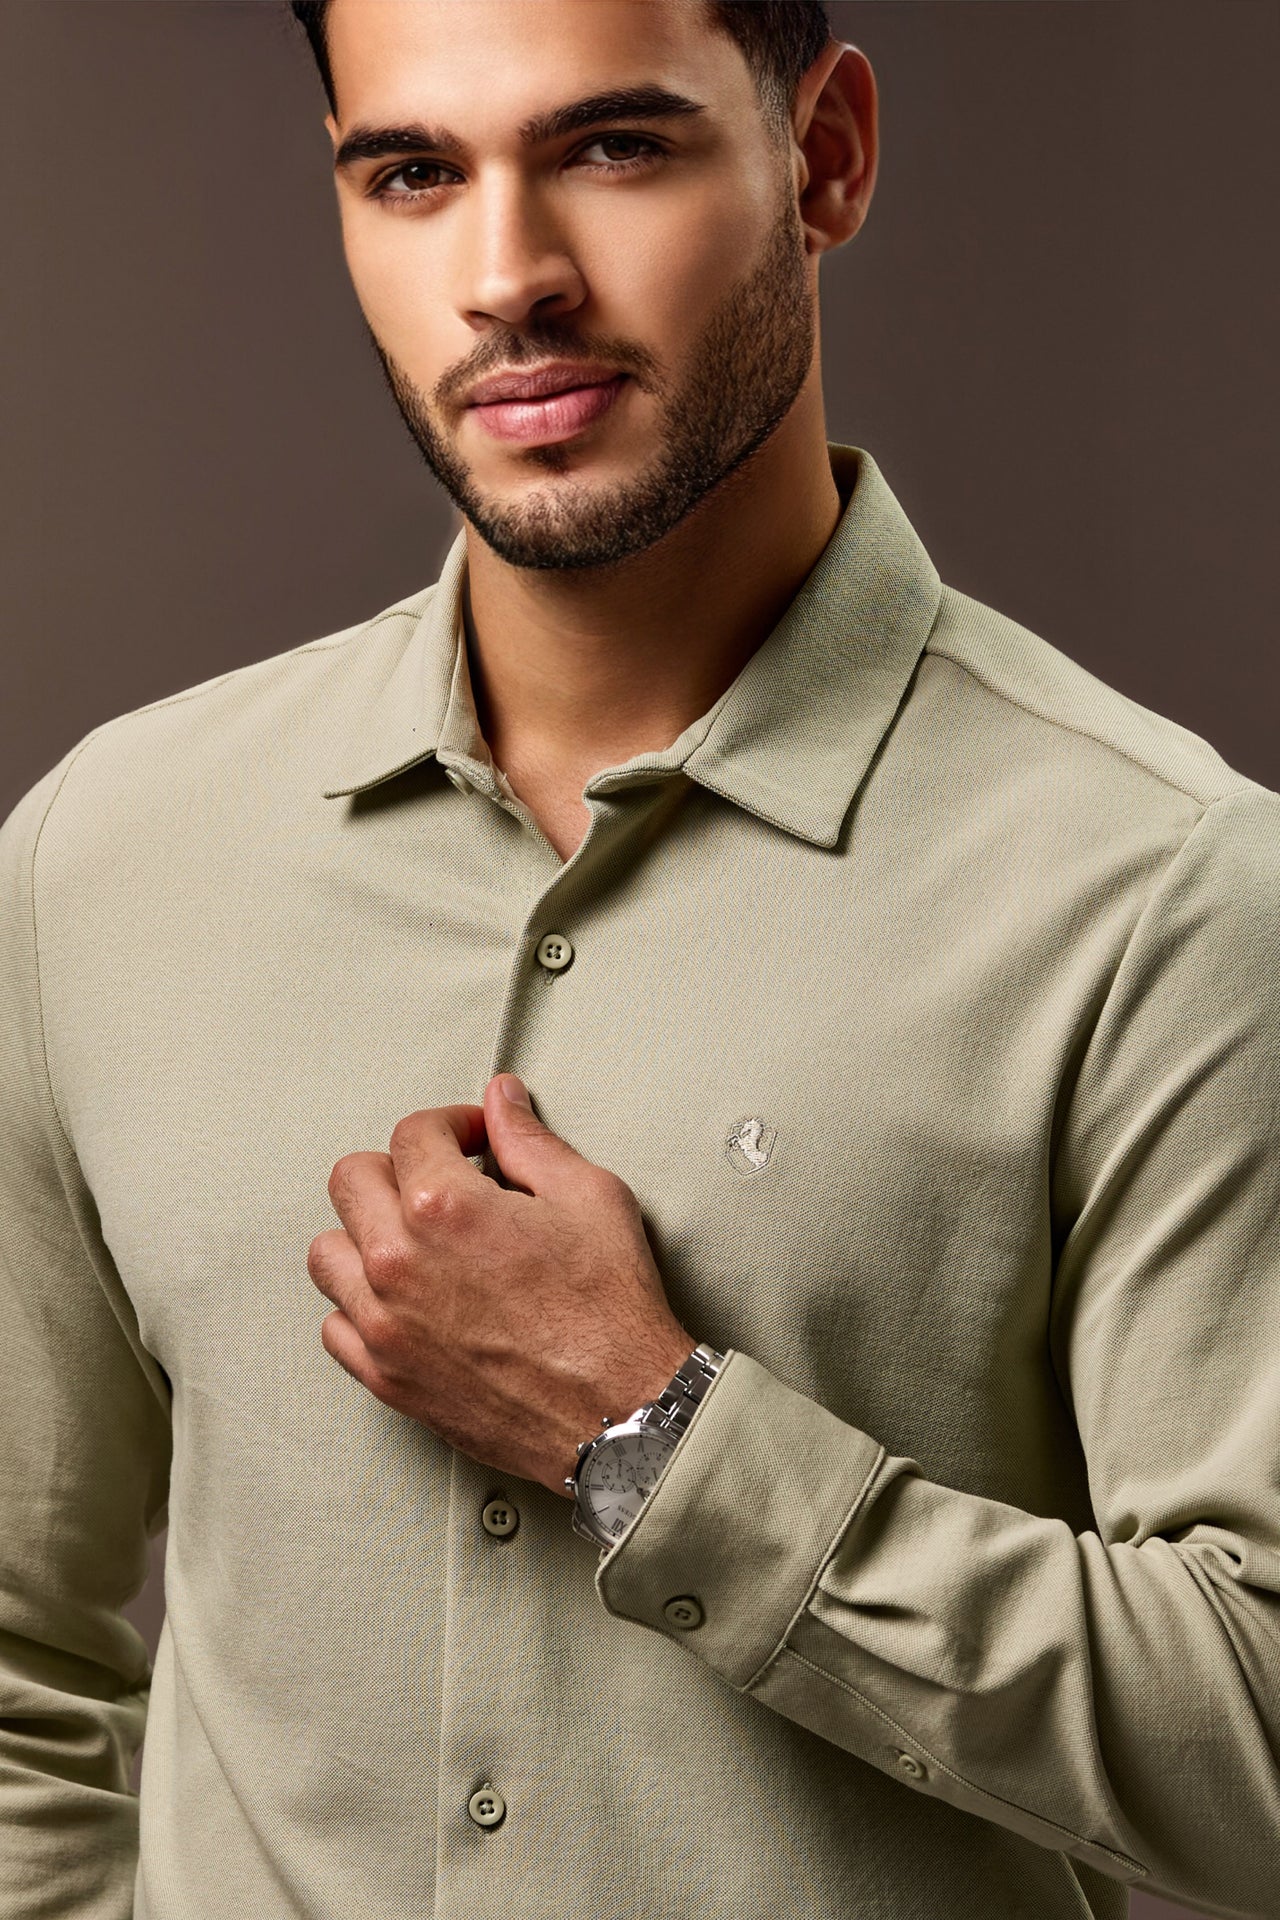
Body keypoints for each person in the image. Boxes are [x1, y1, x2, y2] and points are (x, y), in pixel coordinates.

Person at [0, 0, 1276, 1915]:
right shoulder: (105, 855)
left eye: (612, 147)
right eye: (413, 173)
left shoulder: (1165, 892)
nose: (507, 275)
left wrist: (655, 1439)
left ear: (823, 155)